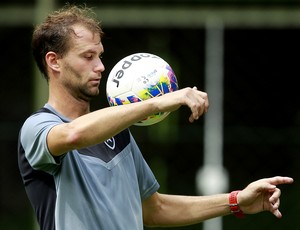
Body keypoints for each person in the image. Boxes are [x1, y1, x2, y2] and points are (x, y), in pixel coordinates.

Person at [17, 4, 293, 230]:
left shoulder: (117, 132)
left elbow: (154, 208)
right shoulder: (38, 127)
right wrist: (155, 103)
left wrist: (236, 201)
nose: (100, 66)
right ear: (54, 61)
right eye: (88, 56)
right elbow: (74, 135)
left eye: (100, 55)